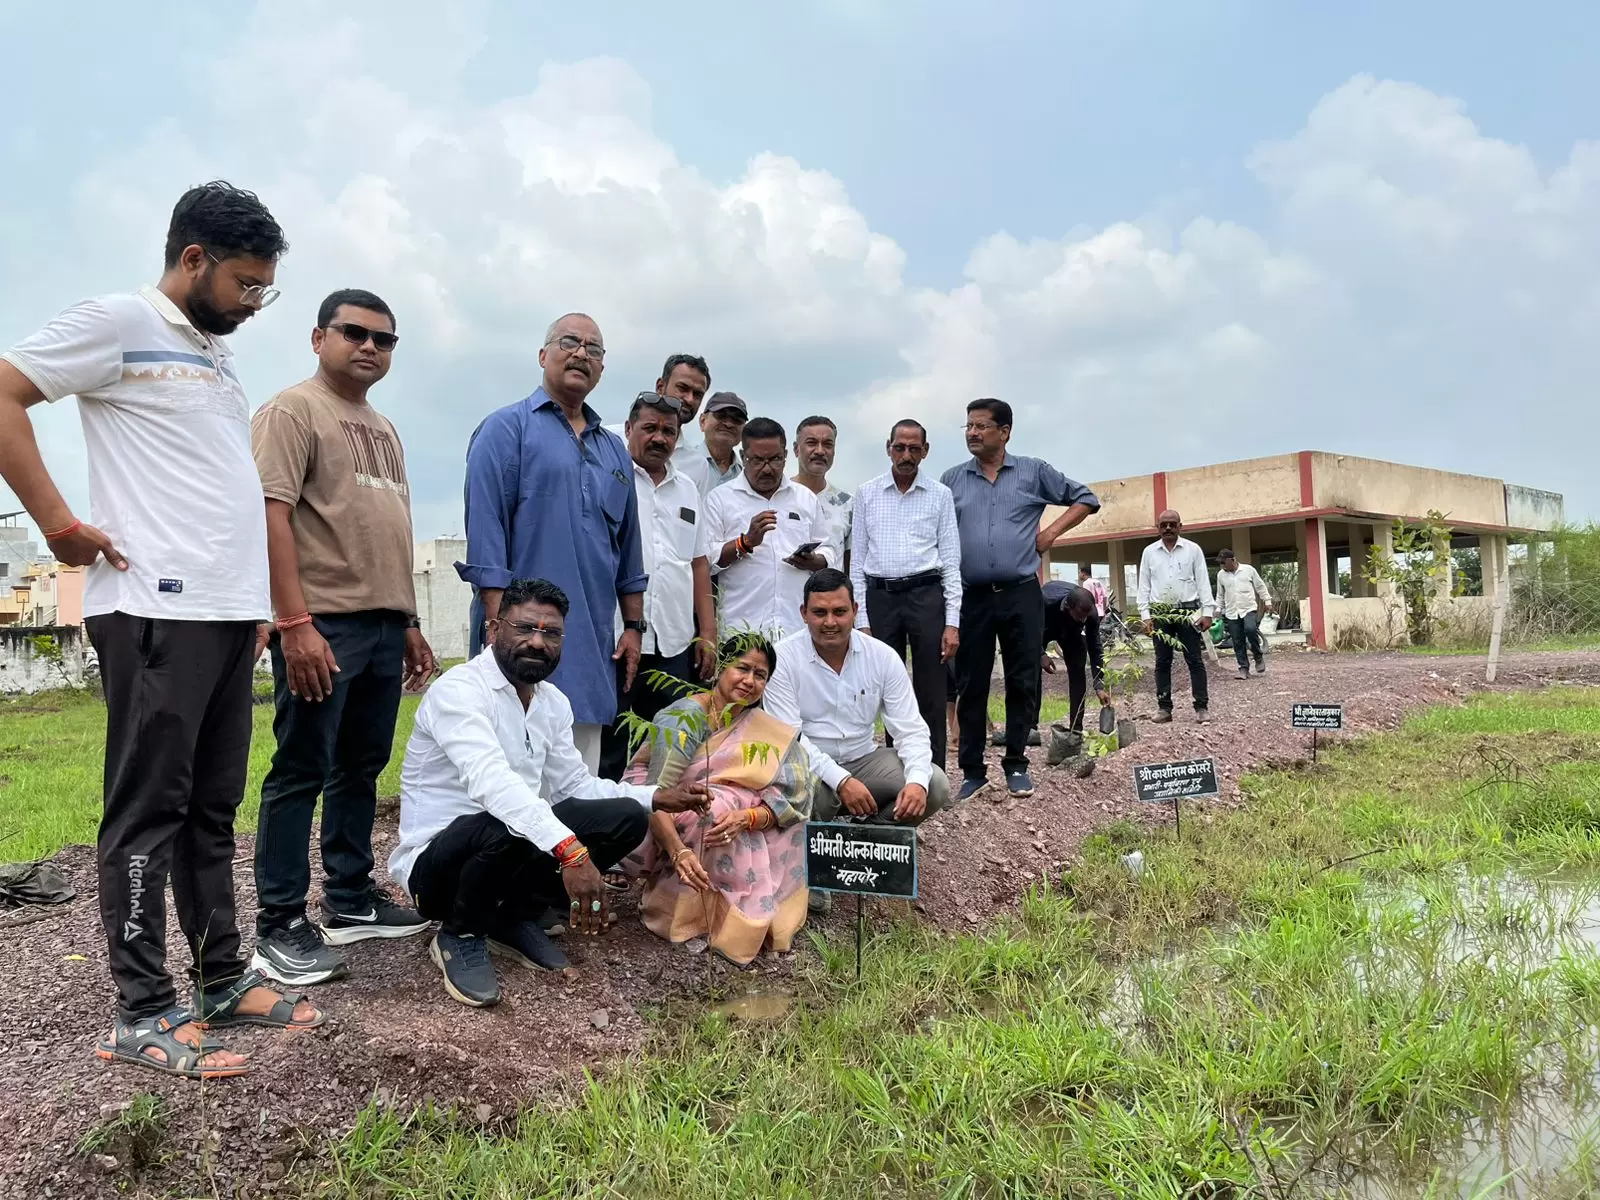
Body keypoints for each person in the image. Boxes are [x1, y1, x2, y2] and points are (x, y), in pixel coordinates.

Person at [0, 182, 321, 1079]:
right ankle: (143, 1009)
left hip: (222, 617)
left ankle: (221, 977)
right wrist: (60, 525)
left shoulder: (213, 356)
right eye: (246, 285)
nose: (255, 305)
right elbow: (5, 392)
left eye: (267, 289)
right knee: (149, 814)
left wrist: (256, 604)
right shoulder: (115, 322)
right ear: (193, 260)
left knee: (213, 810)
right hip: (153, 612)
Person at [388, 578, 709, 1008]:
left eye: (550, 632)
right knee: (511, 816)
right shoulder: (459, 692)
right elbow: (492, 784)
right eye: (524, 628)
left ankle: (512, 917)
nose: (537, 642)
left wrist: (653, 797)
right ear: (494, 630)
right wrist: (572, 852)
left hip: (507, 845)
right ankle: (459, 933)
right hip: (438, 871)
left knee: (623, 818)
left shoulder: (552, 702)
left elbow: (574, 785)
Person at [247, 288, 435, 986]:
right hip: (322, 623)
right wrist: (293, 624)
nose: (369, 348)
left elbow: (391, 532)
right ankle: (279, 923)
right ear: (318, 336)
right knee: (300, 768)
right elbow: (271, 518)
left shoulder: (383, 427)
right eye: (354, 333)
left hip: (384, 626)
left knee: (360, 767)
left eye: (384, 340)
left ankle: (350, 899)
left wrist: (410, 621)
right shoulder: (292, 411)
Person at [459, 312, 647, 774]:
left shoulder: (613, 451)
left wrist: (634, 628)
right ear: (543, 355)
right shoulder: (505, 431)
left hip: (590, 647)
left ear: (602, 370)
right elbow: (486, 535)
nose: (582, 353)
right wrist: (496, 622)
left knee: (577, 778)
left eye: (594, 349)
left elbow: (630, 549)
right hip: (519, 640)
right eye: (570, 342)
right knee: (508, 774)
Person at [619, 635, 813, 965]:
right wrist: (679, 852)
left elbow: (796, 794)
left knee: (781, 822)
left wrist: (750, 817)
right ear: (719, 668)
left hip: (735, 814)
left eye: (761, 675)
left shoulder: (761, 727)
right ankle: (686, 916)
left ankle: (758, 920)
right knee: (713, 807)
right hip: (667, 808)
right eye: (742, 668)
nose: (750, 681)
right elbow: (656, 794)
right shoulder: (686, 718)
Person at [941, 399, 1099, 802]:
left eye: (981, 426)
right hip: (972, 596)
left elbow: (1085, 498)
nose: (972, 433)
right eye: (968, 427)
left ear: (1005, 431)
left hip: (1020, 593)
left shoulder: (1033, 471)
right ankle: (973, 772)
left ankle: (1016, 765)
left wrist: (1050, 535)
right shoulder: (952, 480)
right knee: (971, 683)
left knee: (1021, 679)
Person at [764, 569, 951, 837]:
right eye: (819, 613)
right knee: (803, 797)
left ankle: (869, 837)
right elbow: (790, 739)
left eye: (839, 612)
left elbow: (910, 729)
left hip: (864, 759)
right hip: (809, 768)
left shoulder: (882, 657)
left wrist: (917, 783)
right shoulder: (782, 659)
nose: (830, 622)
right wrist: (842, 781)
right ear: (804, 613)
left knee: (935, 786)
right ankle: (814, 847)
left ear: (854, 610)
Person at [597, 392, 717, 780]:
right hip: (617, 638)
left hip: (675, 642)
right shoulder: (608, 480)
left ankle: (662, 830)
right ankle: (609, 831)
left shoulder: (687, 490)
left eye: (668, 431)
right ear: (629, 429)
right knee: (611, 743)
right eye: (649, 428)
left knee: (672, 747)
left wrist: (707, 633)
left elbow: (698, 563)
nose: (659, 438)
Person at [849, 418, 962, 764]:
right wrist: (861, 618)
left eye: (914, 448)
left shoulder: (940, 496)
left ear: (925, 452)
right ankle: (897, 768)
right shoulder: (867, 494)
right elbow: (856, 563)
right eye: (900, 447)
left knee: (932, 688)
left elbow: (951, 561)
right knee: (885, 686)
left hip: (926, 597)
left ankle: (933, 770)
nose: (906, 455)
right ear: (889, 448)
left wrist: (952, 622)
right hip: (880, 598)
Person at [703, 416, 832, 640]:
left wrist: (815, 561)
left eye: (775, 459)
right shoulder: (720, 500)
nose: (767, 468)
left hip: (796, 631)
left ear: (786, 456)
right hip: (741, 631)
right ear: (743, 457)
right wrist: (745, 542)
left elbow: (829, 548)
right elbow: (707, 562)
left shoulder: (805, 498)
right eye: (757, 460)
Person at [1136, 510, 1216, 723]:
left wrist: (1207, 613)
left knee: (1195, 660)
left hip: (1188, 613)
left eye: (1172, 524)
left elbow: (1203, 582)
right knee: (1162, 661)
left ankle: (1201, 707)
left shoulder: (1193, 550)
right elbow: (1143, 586)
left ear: (1180, 526)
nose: (1168, 528)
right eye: (1164, 525)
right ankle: (1164, 708)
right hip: (1160, 613)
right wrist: (1146, 615)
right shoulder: (1149, 553)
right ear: (1158, 527)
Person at [603, 351, 710, 479]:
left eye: (697, 395)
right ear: (660, 386)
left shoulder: (697, 465)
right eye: (682, 388)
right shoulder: (609, 440)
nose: (690, 399)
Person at [1040, 580, 1109, 746]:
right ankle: (1030, 727)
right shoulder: (1045, 601)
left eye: (1086, 616)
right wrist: (1040, 654)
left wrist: (1099, 684)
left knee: (1078, 672)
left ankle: (1076, 729)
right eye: (1080, 616)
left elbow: (1095, 648)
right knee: (1032, 668)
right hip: (1043, 627)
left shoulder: (1089, 615)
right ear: (1068, 607)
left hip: (1071, 633)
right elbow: (1028, 630)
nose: (1083, 620)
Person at [791, 416, 853, 568]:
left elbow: (850, 562)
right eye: (811, 443)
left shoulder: (848, 504)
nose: (820, 451)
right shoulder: (778, 496)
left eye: (827, 445)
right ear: (796, 449)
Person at [1216, 548, 1273, 679]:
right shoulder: (1221, 575)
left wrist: (1267, 601)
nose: (1222, 565)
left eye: (1224, 562)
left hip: (1248, 608)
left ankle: (1258, 656)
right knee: (1237, 640)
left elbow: (1260, 586)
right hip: (1231, 612)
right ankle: (1243, 668)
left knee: (1250, 629)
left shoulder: (1248, 570)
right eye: (1221, 563)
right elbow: (1220, 595)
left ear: (1233, 560)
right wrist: (1218, 609)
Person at [691, 391, 747, 497]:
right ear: (703, 421)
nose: (729, 424)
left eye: (737, 419)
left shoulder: (746, 478)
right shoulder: (681, 464)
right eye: (721, 416)